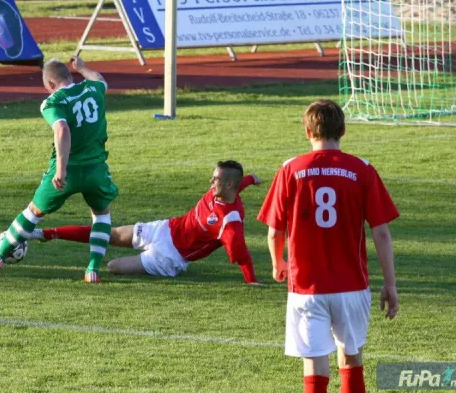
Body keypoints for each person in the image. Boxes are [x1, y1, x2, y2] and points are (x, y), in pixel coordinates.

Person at [257, 99, 400, 393]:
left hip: (306, 287)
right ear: (343, 130)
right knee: (351, 357)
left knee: (314, 362)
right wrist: (390, 283)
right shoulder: (362, 169)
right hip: (352, 285)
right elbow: (381, 233)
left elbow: (274, 231)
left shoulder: (290, 169)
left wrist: (277, 263)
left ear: (307, 132)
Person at [0, 56, 118, 284]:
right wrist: (82, 67)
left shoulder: (52, 102)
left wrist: (61, 170)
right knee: (101, 214)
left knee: (33, 212)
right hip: (96, 169)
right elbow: (100, 78)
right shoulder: (94, 88)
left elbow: (62, 129)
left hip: (68, 170)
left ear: (51, 84)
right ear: (70, 76)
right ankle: (92, 269)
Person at [30, 161, 261, 284]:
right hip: (165, 228)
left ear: (228, 185)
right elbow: (238, 186)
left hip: (170, 257)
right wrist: (250, 179)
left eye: (216, 179)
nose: (211, 182)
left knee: (113, 267)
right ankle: (46, 233)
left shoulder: (230, 223)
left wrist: (251, 281)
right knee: (109, 234)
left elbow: (241, 254)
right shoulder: (224, 191)